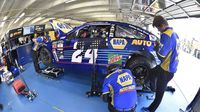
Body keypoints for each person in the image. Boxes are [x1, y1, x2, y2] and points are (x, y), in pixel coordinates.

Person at [142, 15, 180, 112]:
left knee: (159, 93)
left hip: (166, 70)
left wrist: (156, 48)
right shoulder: (174, 34)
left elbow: (161, 57)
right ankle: (153, 87)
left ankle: (151, 109)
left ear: (162, 25)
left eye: (159, 28)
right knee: (152, 72)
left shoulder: (166, 35)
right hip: (169, 67)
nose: (159, 31)